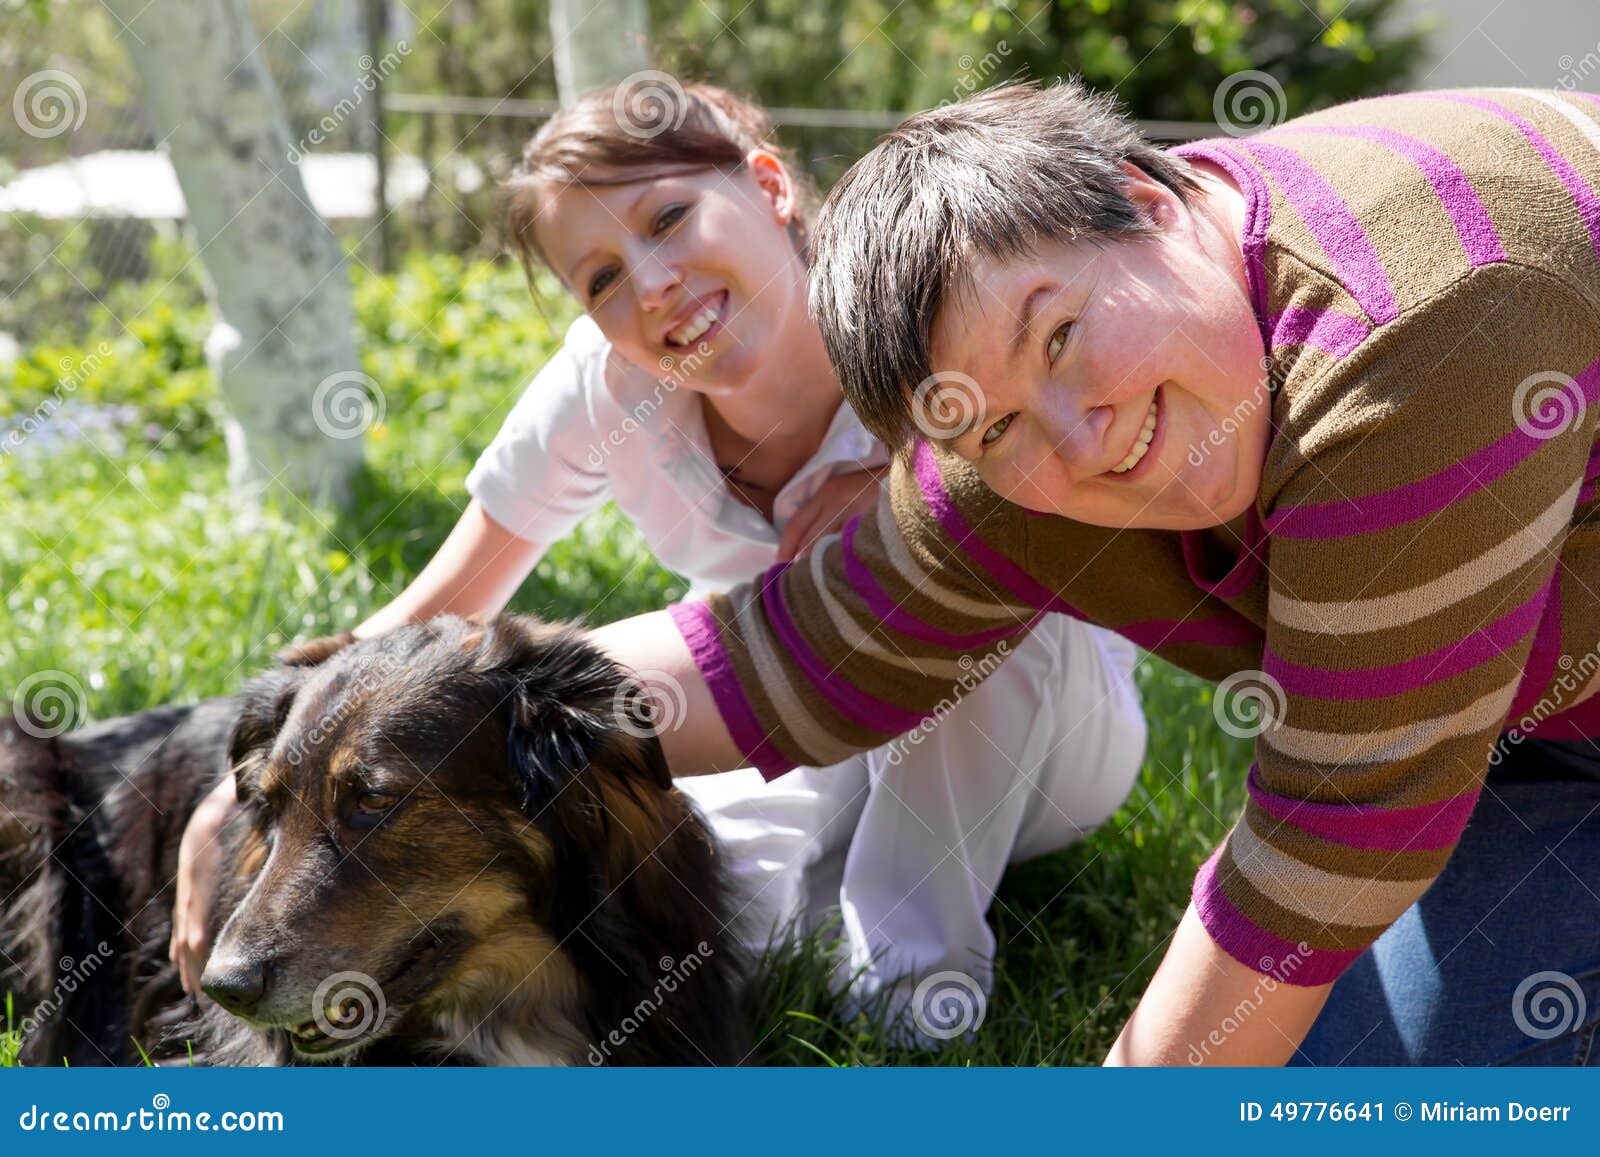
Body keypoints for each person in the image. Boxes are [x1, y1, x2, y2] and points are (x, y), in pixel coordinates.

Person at [581, 78, 1600, 1065]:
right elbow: (802, 652)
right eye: (1001, 426)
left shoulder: (1422, 327)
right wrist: (479, 710)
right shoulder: (1018, 457)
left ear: (1146, 201)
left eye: (1062, 335)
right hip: (1528, 731)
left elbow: (1335, 831)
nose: (1079, 440)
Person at [171, 80, 1149, 1036]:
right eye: (598, 277)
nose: (649, 282)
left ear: (767, 183)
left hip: (1040, 726)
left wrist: (919, 493)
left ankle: (911, 1001)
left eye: (669, 217)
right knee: (709, 928)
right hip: (789, 702)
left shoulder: (903, 307)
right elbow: (438, 612)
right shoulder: (608, 385)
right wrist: (236, 797)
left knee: (955, 595)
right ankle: (826, 928)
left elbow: (1067, 486)